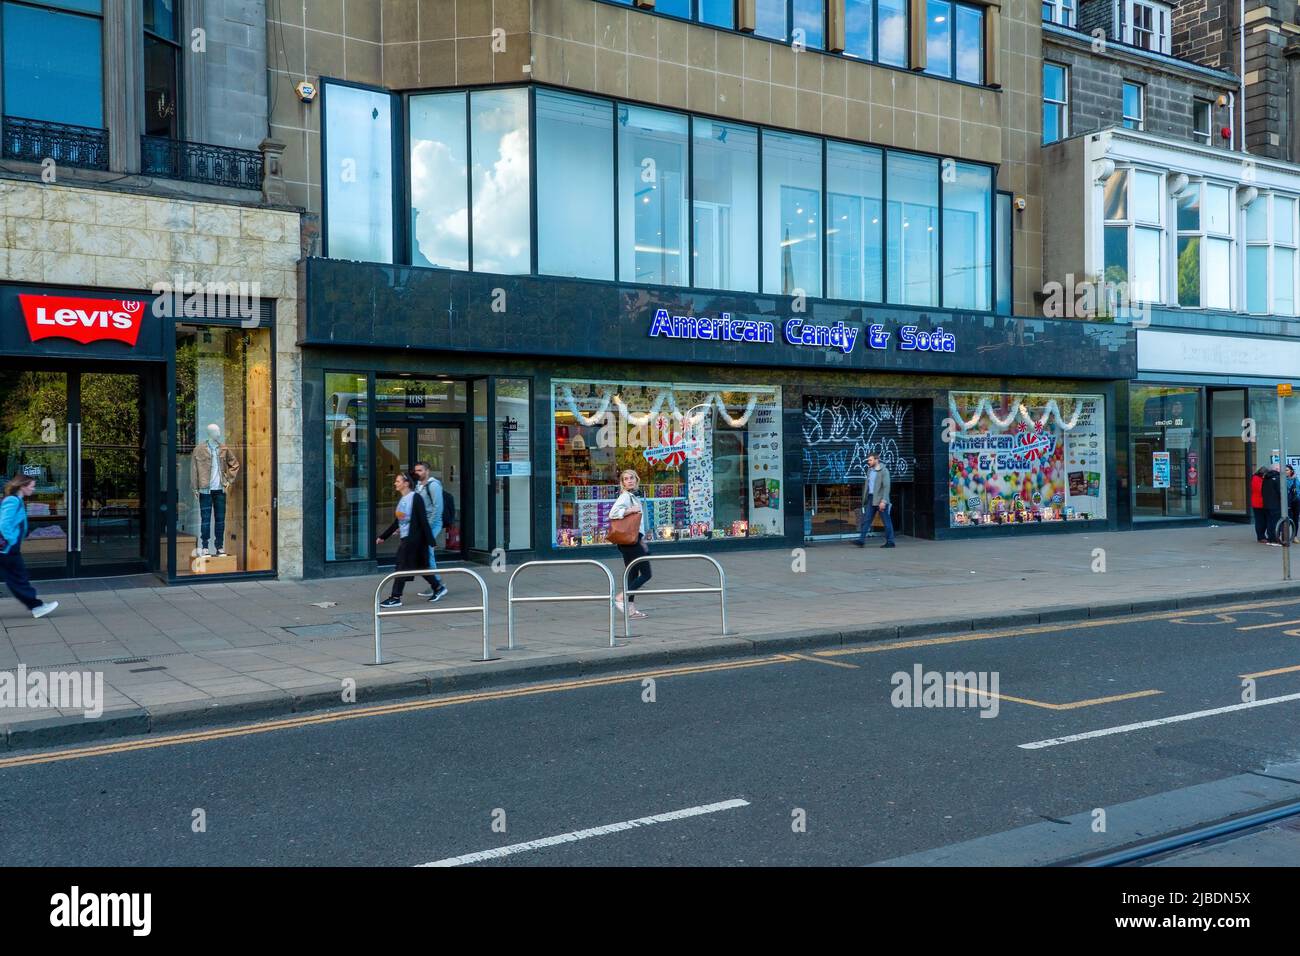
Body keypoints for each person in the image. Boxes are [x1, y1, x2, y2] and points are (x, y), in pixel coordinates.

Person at [375, 472, 439, 607]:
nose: (395, 483)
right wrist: (383, 537)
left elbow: (423, 521)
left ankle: (395, 597)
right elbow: (397, 522)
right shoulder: (403, 499)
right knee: (420, 566)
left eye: (398, 481)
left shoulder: (415, 498)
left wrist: (431, 542)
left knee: (401, 566)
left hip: (414, 541)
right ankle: (438, 587)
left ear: (406, 483)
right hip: (407, 539)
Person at [0, 474, 58, 618]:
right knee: (18, 578)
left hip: (7, 548)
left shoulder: (16, 500)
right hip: (7, 549)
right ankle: (37, 607)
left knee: (17, 578)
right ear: (22, 486)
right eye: (32, 486)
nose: (34, 489)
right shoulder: (12, 501)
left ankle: (36, 606)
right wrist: (12, 540)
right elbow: (4, 523)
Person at [609, 469, 651, 620]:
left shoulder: (633, 496)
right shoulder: (625, 497)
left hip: (632, 540)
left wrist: (642, 540)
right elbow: (612, 513)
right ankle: (621, 597)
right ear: (623, 483)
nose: (629, 481)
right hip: (629, 542)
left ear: (636, 479)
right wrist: (629, 510)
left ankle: (631, 609)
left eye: (631, 478)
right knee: (646, 574)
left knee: (632, 573)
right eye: (626, 479)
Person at [411, 461, 448, 603]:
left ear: (427, 471)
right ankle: (436, 584)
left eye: (420, 470)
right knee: (426, 553)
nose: (417, 473)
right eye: (416, 470)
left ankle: (438, 585)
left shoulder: (433, 485)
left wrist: (427, 528)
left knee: (428, 551)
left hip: (432, 524)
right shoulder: (419, 486)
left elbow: (438, 509)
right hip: (423, 524)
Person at [855, 452, 895, 549]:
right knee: (866, 520)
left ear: (877, 460)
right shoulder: (870, 470)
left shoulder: (884, 471)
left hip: (881, 499)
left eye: (870, 460)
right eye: (868, 460)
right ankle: (861, 540)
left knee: (886, 521)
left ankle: (890, 541)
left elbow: (886, 487)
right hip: (871, 498)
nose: (869, 462)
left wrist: (884, 501)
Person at [1262, 464, 1283, 546]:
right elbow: (1280, 492)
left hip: (1267, 504)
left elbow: (1262, 491)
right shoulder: (1277, 478)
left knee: (1269, 522)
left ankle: (1270, 539)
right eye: (1280, 468)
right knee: (1276, 522)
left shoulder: (1266, 478)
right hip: (1276, 504)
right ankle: (1275, 540)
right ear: (1277, 469)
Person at [1251, 466, 1267, 543]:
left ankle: (1262, 536)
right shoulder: (1256, 478)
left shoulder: (1258, 478)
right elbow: (1260, 489)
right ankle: (1260, 537)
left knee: (1263, 520)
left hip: (1261, 502)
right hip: (1258, 503)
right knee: (1260, 521)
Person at [1287, 465, 1300, 540]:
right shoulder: (1283, 479)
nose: (1286, 472)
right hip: (1288, 501)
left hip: (1296, 501)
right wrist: (1291, 479)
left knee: (1295, 518)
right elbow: (1287, 487)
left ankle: (1294, 536)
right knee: (1288, 518)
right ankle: (1286, 535)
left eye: (1287, 470)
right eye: (1285, 470)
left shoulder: (1296, 479)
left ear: (1291, 471)